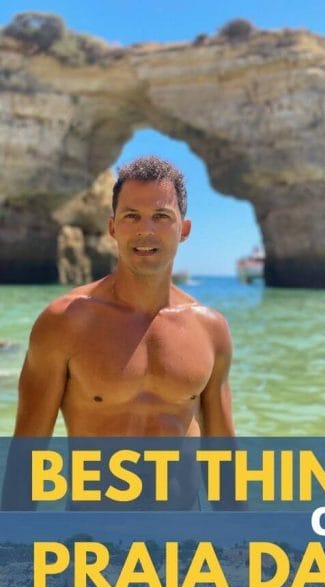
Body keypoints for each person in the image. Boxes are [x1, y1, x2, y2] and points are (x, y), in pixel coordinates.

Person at [13, 156, 235, 438]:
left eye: (161, 216)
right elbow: (25, 458)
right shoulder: (63, 323)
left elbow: (227, 462)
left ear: (184, 230)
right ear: (113, 228)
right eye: (131, 216)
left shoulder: (211, 330)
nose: (145, 229)